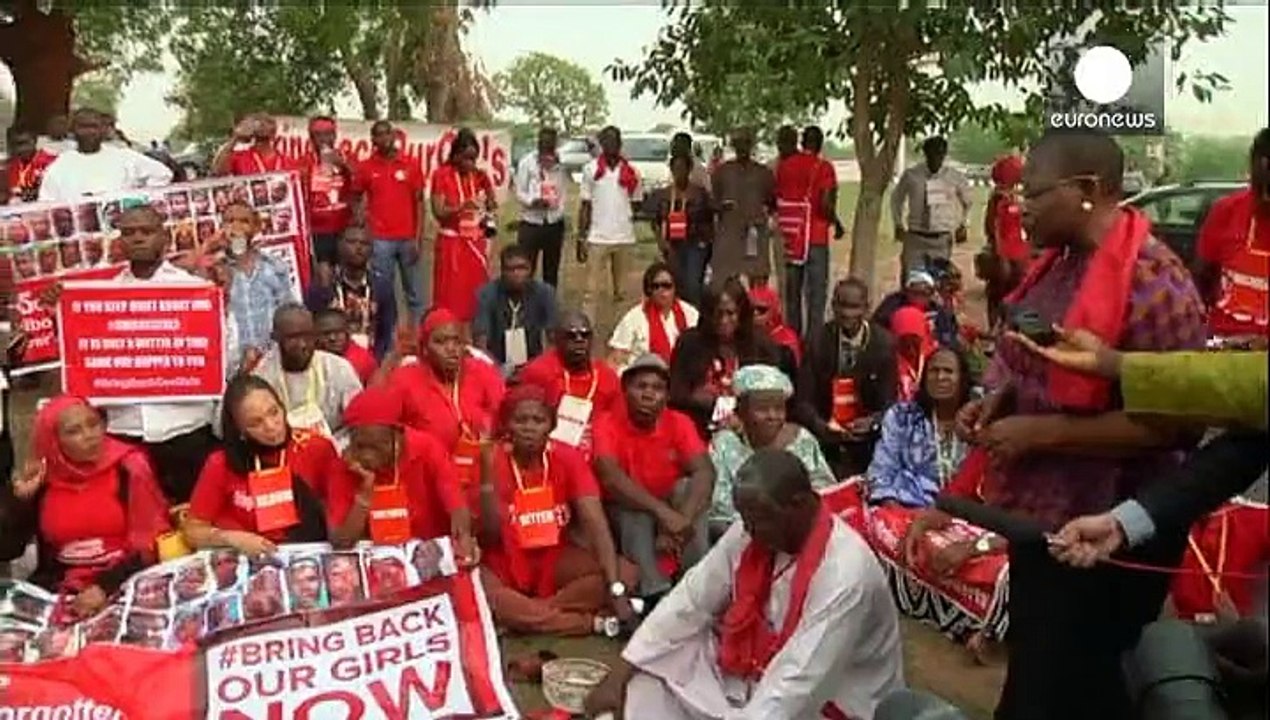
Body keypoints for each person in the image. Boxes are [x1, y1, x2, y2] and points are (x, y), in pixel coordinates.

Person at [937, 130, 1208, 719]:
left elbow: (1175, 427)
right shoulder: (1058, 267)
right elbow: (1031, 359)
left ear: (1086, 189)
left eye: (1034, 194)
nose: (1020, 209)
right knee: (1046, 674)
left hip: (1113, 534)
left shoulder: (1157, 284)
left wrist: (1042, 434)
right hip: (1044, 522)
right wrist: (998, 400)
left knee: (1073, 686)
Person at [584, 449, 905, 720]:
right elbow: (691, 600)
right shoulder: (753, 530)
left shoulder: (845, 573)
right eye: (745, 520)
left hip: (829, 701)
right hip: (753, 674)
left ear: (799, 504)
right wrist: (622, 670)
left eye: (759, 521)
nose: (748, 531)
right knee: (651, 672)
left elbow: (798, 681)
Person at [477, 385, 639, 636]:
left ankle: (530, 615)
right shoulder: (491, 458)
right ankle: (591, 623)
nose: (529, 428)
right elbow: (488, 535)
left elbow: (596, 524)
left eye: (538, 420)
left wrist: (616, 590)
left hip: (554, 558)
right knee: (484, 594)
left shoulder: (567, 457)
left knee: (625, 572)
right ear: (507, 425)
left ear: (551, 425)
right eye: (520, 421)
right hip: (503, 561)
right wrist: (487, 479)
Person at [0, 397, 169, 621]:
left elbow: (150, 543)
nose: (90, 436)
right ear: (54, 441)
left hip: (127, 578)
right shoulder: (43, 479)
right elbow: (8, 550)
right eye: (74, 431)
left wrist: (104, 586)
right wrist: (20, 500)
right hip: (61, 585)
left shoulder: (129, 467)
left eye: (93, 424)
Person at [98, 204, 219, 504]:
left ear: (164, 238)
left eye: (147, 231)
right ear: (119, 241)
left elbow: (219, 355)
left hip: (186, 429)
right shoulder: (100, 298)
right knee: (137, 521)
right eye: (129, 232)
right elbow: (89, 358)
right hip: (126, 431)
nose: (138, 238)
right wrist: (62, 311)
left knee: (194, 517)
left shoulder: (196, 290)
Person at [592, 354, 715, 601]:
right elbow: (610, 478)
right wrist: (663, 514)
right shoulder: (606, 422)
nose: (648, 395)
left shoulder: (679, 421)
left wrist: (682, 520)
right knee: (634, 511)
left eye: (657, 388)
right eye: (641, 386)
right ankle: (653, 592)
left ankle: (697, 583)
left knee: (687, 489)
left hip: (670, 505)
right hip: (626, 509)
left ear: (667, 396)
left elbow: (705, 470)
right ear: (625, 391)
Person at [182, 376, 334, 556]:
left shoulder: (316, 447)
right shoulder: (221, 463)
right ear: (240, 430)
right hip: (248, 555)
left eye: (274, 412)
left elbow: (338, 512)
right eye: (256, 423)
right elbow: (192, 531)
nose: (271, 426)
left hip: (304, 554)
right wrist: (232, 538)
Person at [326, 385, 477, 563]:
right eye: (360, 446)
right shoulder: (344, 465)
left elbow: (456, 506)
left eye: (376, 447)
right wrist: (364, 496)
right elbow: (341, 542)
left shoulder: (428, 449)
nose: (367, 456)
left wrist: (463, 538)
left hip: (428, 555)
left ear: (398, 436)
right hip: (379, 562)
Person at [386, 308, 506, 501]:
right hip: (426, 481)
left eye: (456, 341)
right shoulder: (404, 379)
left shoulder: (482, 371)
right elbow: (387, 429)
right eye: (440, 342)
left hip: (479, 477)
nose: (451, 348)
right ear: (424, 348)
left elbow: (505, 417)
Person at [708, 365, 832, 537]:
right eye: (762, 408)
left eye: (779, 408)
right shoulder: (725, 444)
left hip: (799, 533)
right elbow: (721, 509)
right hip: (741, 534)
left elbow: (825, 491)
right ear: (742, 411)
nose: (772, 416)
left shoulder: (802, 440)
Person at [796, 277, 897, 478]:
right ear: (833, 306)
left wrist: (872, 422)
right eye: (841, 305)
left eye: (854, 307)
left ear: (866, 308)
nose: (847, 313)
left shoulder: (883, 344)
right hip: (826, 437)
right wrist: (823, 427)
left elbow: (890, 402)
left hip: (868, 442)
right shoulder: (818, 341)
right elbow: (803, 400)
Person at [669, 278, 793, 439]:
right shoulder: (689, 343)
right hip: (698, 427)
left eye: (730, 313)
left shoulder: (761, 345)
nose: (723, 320)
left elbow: (772, 396)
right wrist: (710, 402)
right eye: (717, 314)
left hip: (752, 431)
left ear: (741, 313)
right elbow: (676, 393)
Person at [868, 347, 973, 508]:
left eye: (948, 371)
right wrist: (894, 508)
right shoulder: (902, 417)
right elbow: (882, 469)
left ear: (962, 379)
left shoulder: (977, 422)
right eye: (934, 371)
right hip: (907, 508)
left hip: (966, 511)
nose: (940, 377)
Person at [1192, 128, 1269, 341]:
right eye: (1261, 187)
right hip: (1226, 346)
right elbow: (1200, 280)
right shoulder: (1226, 211)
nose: (1265, 198)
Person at [516, 310, 622, 459]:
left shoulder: (607, 377)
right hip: (549, 452)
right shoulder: (537, 372)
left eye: (585, 335)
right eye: (571, 336)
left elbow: (618, 423)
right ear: (556, 340)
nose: (579, 340)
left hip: (598, 454)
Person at [252, 304, 363, 444]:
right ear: (276, 338)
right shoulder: (262, 377)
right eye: (293, 338)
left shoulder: (338, 368)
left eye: (308, 336)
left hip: (335, 446)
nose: (303, 344)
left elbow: (360, 420)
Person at [351, 120, 426, 325]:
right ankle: (389, 333)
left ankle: (419, 332)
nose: (384, 138)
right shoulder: (366, 167)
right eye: (379, 135)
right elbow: (355, 195)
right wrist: (360, 218)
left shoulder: (411, 164)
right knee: (383, 290)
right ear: (373, 140)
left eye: (387, 133)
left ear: (394, 136)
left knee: (415, 291)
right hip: (379, 240)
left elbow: (419, 203)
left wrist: (418, 237)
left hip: (408, 238)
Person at [773, 125, 841, 335]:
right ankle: (814, 341)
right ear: (820, 144)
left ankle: (792, 339)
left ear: (802, 142)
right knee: (816, 296)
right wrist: (837, 223)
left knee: (793, 294)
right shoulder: (824, 167)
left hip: (792, 238)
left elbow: (778, 197)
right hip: (816, 237)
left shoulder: (784, 166)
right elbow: (825, 204)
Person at [578, 126, 644, 328]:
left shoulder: (632, 172)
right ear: (601, 144)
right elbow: (585, 205)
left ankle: (620, 331)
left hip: (624, 237)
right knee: (591, 292)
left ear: (620, 143)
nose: (611, 145)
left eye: (614, 141)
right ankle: (587, 329)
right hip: (597, 238)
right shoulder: (591, 170)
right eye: (606, 141)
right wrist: (581, 236)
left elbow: (637, 203)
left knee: (621, 293)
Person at [430, 127, 498, 323]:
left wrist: (489, 203)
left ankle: (474, 334)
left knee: (476, 296)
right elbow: (439, 212)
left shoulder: (479, 176)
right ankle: (448, 331)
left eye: (473, 159)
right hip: (451, 244)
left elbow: (491, 207)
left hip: (475, 243)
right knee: (450, 298)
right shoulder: (442, 175)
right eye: (466, 158)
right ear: (455, 155)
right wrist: (461, 207)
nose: (470, 163)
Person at [304, 225, 397, 361]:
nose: (358, 248)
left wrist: (376, 360)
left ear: (372, 249)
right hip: (331, 359)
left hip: (370, 359)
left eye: (364, 243)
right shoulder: (324, 285)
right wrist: (323, 291)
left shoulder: (381, 286)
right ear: (340, 245)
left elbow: (387, 329)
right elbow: (311, 326)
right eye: (352, 242)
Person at [38, 109, 173, 202]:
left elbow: (163, 174)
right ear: (73, 130)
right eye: (83, 127)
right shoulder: (60, 166)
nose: (90, 132)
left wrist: (138, 200)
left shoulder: (124, 156)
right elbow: (47, 202)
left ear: (102, 130)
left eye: (94, 127)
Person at [890, 136, 972, 283]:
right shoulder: (912, 175)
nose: (936, 158)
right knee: (912, 281)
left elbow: (968, 202)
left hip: (941, 240)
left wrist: (964, 224)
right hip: (916, 238)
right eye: (932, 154)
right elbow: (896, 199)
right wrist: (898, 224)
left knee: (939, 281)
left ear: (944, 154)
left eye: (940, 154)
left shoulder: (954, 177)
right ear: (925, 154)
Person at [220, 201, 295, 357]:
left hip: (272, 357)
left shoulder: (274, 267)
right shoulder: (216, 270)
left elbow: (288, 312)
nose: (237, 227)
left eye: (244, 221)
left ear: (256, 228)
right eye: (230, 221)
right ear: (222, 227)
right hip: (232, 360)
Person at [472, 244, 558, 374]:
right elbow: (480, 343)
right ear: (502, 271)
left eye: (522, 268)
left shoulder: (545, 293)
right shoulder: (486, 294)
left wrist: (538, 368)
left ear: (531, 270)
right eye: (510, 269)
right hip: (495, 364)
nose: (516, 274)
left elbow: (554, 340)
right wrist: (496, 371)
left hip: (534, 364)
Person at [710, 127, 776, 288]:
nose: (742, 147)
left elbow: (771, 201)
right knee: (727, 279)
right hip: (730, 231)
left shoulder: (763, 172)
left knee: (758, 278)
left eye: (745, 143)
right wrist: (722, 207)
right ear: (734, 146)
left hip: (755, 231)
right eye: (738, 143)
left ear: (751, 145)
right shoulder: (723, 171)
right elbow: (713, 202)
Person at [646, 154, 714, 306]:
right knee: (676, 282)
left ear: (689, 169)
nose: (679, 173)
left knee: (693, 285)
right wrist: (661, 241)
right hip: (673, 245)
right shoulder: (663, 194)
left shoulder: (699, 194)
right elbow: (655, 221)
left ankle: (694, 315)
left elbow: (709, 220)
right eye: (676, 169)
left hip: (695, 244)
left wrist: (706, 242)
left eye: (682, 168)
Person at [607, 261, 700, 370]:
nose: (661, 291)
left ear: (675, 288)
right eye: (656, 286)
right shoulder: (634, 318)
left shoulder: (689, 313)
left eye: (666, 286)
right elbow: (615, 359)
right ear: (649, 289)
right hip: (643, 374)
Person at [513, 126, 568, 288]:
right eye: (544, 144)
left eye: (551, 145)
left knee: (551, 270)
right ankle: (525, 300)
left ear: (555, 145)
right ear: (538, 144)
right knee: (526, 268)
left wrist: (557, 209)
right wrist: (532, 201)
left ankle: (548, 300)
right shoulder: (527, 163)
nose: (547, 149)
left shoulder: (560, 165)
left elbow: (563, 192)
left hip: (554, 223)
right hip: (531, 223)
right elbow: (519, 192)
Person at [981, 154, 1029, 328]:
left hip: (1019, 251)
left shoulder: (1018, 196)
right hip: (1004, 252)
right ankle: (995, 327)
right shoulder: (999, 198)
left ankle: (1006, 327)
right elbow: (991, 227)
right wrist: (999, 253)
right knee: (998, 292)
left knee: (1015, 294)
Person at [301, 116, 354, 273]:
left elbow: (361, 184)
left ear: (335, 135)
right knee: (324, 274)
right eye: (318, 134)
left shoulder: (347, 158)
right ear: (311, 138)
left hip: (344, 228)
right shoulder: (304, 162)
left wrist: (343, 166)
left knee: (346, 273)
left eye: (328, 133)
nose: (323, 139)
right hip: (317, 230)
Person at [873, 269, 960, 350]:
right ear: (906, 292)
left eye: (924, 292)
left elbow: (948, 336)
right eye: (915, 292)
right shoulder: (892, 305)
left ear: (931, 294)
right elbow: (877, 328)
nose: (919, 296)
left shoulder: (938, 312)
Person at [210, 113, 296, 177]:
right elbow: (218, 171)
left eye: (267, 123)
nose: (262, 127)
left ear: (274, 133)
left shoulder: (287, 161)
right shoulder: (241, 157)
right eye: (259, 124)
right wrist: (236, 138)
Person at [314, 308, 377, 386]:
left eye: (338, 332)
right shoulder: (312, 359)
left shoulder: (363, 361)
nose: (332, 338)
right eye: (326, 334)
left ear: (348, 331)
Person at [748, 284, 801, 366]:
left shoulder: (787, 338)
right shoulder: (741, 336)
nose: (755, 315)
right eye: (750, 310)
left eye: (761, 310)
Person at [2, 127, 57, 204]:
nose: (21, 149)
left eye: (24, 143)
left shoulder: (51, 163)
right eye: (15, 145)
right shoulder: (8, 167)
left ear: (35, 140)